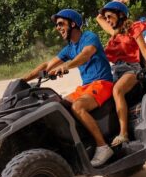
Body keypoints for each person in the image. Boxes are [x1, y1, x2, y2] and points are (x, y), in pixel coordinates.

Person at [22, 9, 115, 167]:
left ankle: (102, 146)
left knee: (78, 107)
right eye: (57, 25)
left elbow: (86, 54)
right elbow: (47, 65)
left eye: (60, 24)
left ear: (73, 23)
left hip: (102, 83)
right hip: (85, 87)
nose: (58, 28)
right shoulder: (70, 48)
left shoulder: (89, 37)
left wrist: (67, 65)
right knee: (58, 106)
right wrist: (22, 80)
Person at [96, 0, 146, 147]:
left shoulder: (134, 28)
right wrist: (115, 1)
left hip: (132, 68)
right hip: (116, 70)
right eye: (107, 18)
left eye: (110, 16)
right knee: (101, 95)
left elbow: (143, 48)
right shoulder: (114, 32)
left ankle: (124, 134)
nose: (108, 20)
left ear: (121, 15)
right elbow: (98, 18)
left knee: (117, 90)